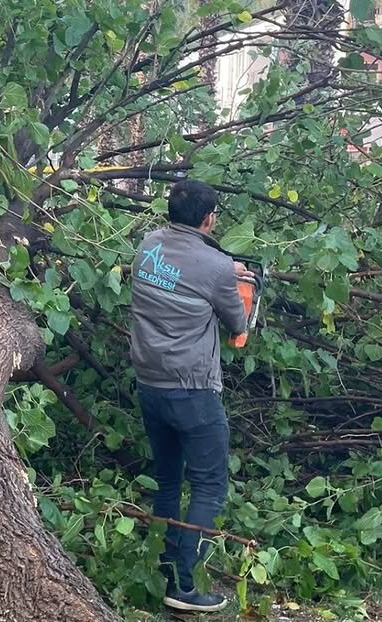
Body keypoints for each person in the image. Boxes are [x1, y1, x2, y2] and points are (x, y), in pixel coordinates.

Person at [129, 180, 250, 613]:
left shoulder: (147, 245)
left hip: (150, 382)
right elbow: (237, 322)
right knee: (210, 486)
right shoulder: (216, 265)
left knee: (167, 479)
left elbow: (188, 273)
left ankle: (160, 563)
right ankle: (183, 586)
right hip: (193, 389)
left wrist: (223, 270)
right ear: (208, 218)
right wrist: (233, 279)